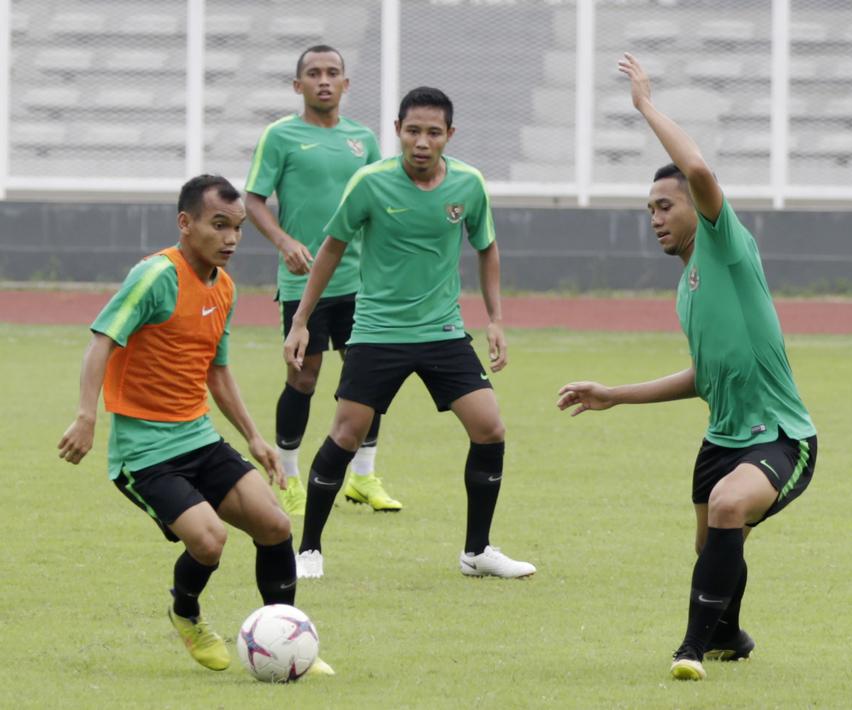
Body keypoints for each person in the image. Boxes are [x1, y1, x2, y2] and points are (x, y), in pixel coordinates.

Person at [556, 54, 818, 681]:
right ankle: (729, 634)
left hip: (782, 436)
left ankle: (690, 650)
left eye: (665, 205)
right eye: (649, 208)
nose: (655, 217)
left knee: (729, 508)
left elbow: (697, 167)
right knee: (714, 548)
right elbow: (705, 377)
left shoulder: (725, 246)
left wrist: (645, 105)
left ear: (693, 210)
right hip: (721, 439)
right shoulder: (686, 288)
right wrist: (614, 394)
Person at [57, 175, 331, 676]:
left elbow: (217, 370)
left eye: (238, 228)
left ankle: (289, 641)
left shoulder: (223, 287)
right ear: (186, 224)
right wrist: (86, 415)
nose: (230, 239)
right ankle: (185, 613)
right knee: (208, 541)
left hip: (199, 436)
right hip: (144, 453)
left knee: (275, 525)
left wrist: (253, 436)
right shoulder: (154, 276)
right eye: (218, 225)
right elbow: (101, 341)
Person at [284, 86, 536, 581]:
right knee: (346, 434)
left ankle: (477, 551)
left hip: (442, 332)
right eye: (413, 130)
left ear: (450, 135)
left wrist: (495, 318)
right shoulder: (369, 183)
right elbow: (331, 249)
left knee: (490, 428)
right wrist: (300, 320)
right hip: (378, 331)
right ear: (398, 130)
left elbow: (486, 247)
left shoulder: (468, 184)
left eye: (433, 132)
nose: (422, 141)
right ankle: (309, 549)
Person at [245, 45, 399, 516]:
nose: (324, 80)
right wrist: (285, 242)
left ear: (346, 84)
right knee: (303, 377)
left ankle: (364, 476)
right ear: (298, 86)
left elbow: (380, 203)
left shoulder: (364, 140)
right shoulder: (280, 136)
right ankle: (288, 477)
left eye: (333, 72)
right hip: (303, 284)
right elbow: (252, 201)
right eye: (314, 73)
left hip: (361, 283)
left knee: (367, 378)